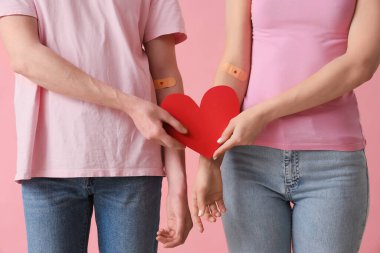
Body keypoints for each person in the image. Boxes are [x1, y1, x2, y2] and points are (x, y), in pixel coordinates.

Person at [0, 0, 192, 252]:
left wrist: (178, 184)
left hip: (133, 162)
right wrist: (128, 104)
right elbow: (25, 57)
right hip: (49, 163)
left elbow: (166, 78)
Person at [192, 0, 380, 252]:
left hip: (331, 165)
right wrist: (209, 158)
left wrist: (264, 114)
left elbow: (360, 64)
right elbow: (234, 66)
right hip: (248, 162)